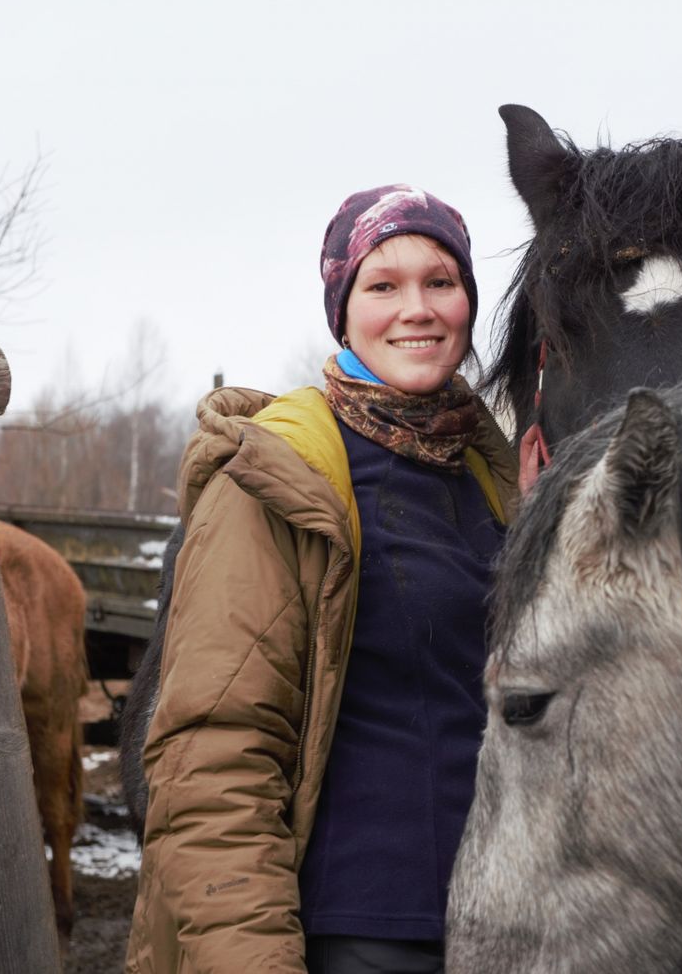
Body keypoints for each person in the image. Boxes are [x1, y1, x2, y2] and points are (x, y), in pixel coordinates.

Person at [125, 185, 518, 974]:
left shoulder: (486, 477)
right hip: (354, 934)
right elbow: (214, 757)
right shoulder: (277, 478)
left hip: (503, 926)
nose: (418, 308)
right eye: (383, 286)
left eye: (441, 282)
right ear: (342, 310)